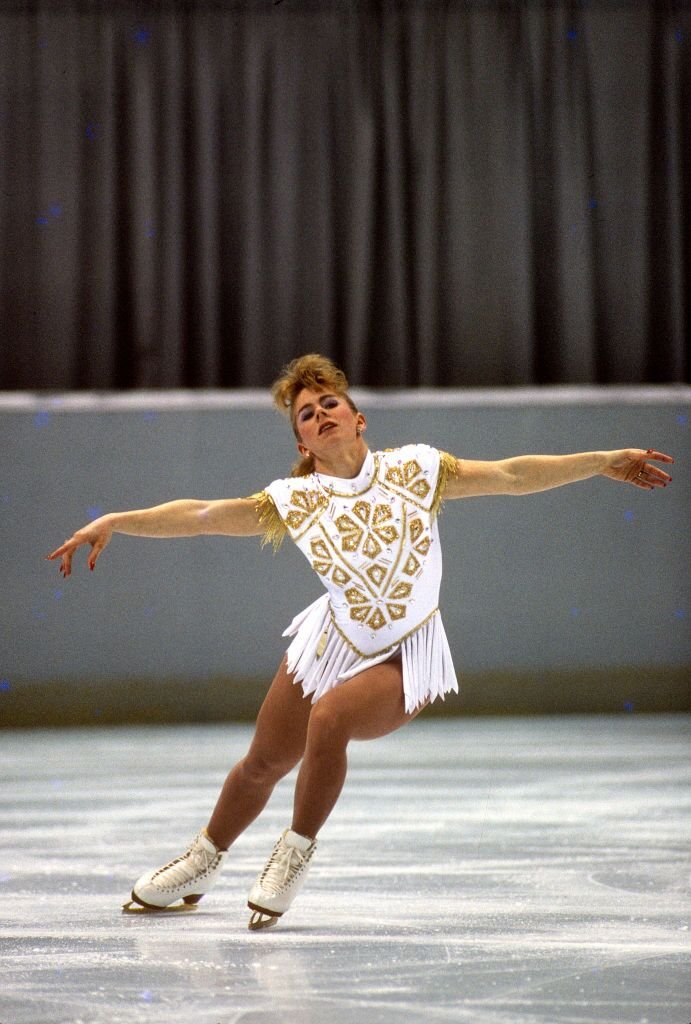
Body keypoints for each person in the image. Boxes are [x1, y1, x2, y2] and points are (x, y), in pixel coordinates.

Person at [47, 354, 674, 929]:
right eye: (306, 414)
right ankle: (202, 861)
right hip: (333, 640)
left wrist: (600, 461)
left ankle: (293, 855)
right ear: (301, 441)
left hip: (409, 650)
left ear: (357, 417)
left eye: (329, 404)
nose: (320, 415)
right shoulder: (295, 500)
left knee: (331, 719)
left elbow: (512, 475)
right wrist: (118, 521)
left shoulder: (418, 470)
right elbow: (205, 514)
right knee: (263, 761)